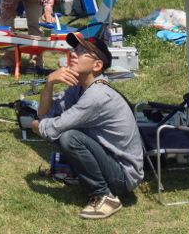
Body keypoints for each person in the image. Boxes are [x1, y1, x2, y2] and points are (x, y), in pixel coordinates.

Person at [30, 32, 144, 220]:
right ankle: (86, 178)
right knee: (66, 133)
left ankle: (104, 197)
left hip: (123, 177)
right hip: (109, 160)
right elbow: (45, 113)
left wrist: (36, 125)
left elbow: (51, 128)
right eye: (75, 49)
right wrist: (49, 82)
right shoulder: (79, 88)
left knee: (69, 138)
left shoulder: (97, 96)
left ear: (97, 66)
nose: (74, 54)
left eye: (82, 52)